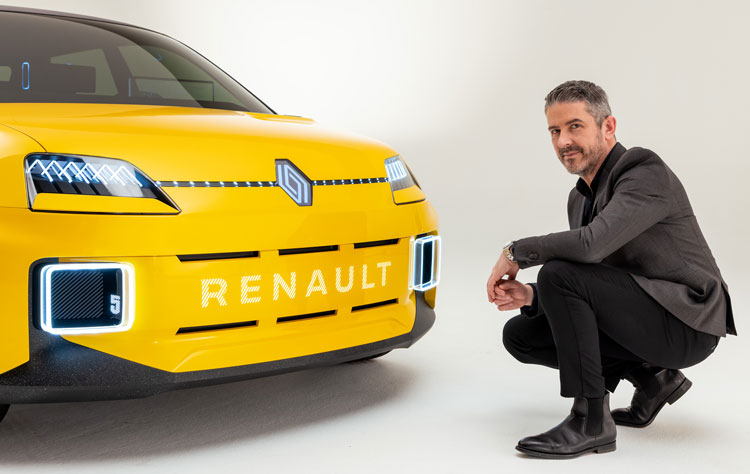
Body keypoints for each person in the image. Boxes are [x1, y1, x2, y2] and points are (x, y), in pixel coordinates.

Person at [487, 80, 736, 459]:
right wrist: (532, 295)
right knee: (522, 335)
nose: (563, 141)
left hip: (688, 322)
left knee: (557, 272)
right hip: (646, 315)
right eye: (554, 131)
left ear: (608, 126)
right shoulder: (578, 199)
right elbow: (593, 283)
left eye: (574, 126)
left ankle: (590, 421)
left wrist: (515, 252)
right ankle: (653, 379)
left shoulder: (643, 169)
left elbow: (591, 246)